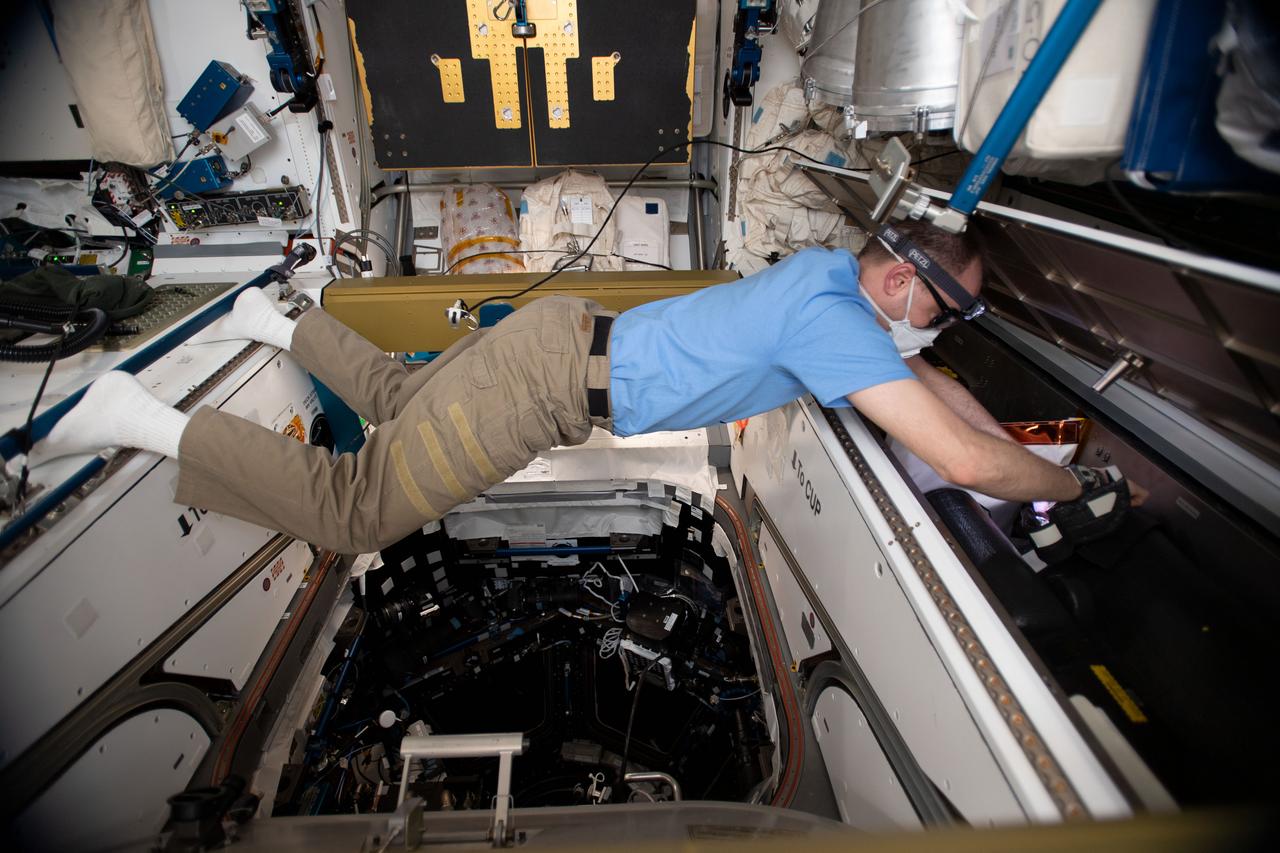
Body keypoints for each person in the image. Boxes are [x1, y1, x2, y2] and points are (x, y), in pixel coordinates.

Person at [29, 221, 1136, 554]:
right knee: (356, 510)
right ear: (904, 280)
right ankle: (135, 420)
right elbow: (951, 452)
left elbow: (935, 385)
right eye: (939, 306)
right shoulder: (838, 320)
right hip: (551, 385)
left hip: (558, 342)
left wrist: (1053, 461)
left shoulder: (830, 284)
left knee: (405, 405)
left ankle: (277, 319)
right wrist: (1058, 485)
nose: (931, 329)